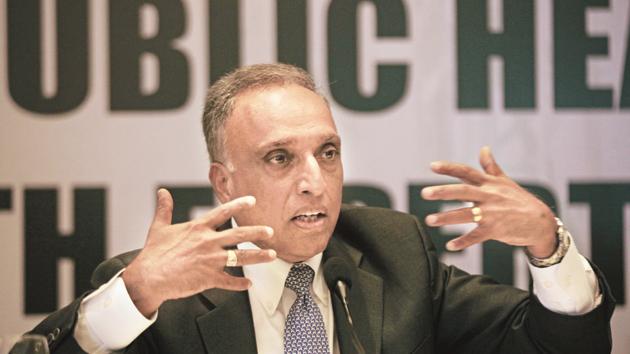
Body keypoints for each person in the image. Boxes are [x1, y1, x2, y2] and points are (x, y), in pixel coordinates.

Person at [25, 63, 614, 354]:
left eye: (327, 152)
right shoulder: (158, 293)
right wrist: (135, 296)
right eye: (280, 158)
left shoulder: (393, 254)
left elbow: (556, 344)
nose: (315, 182)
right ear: (224, 183)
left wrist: (548, 247)